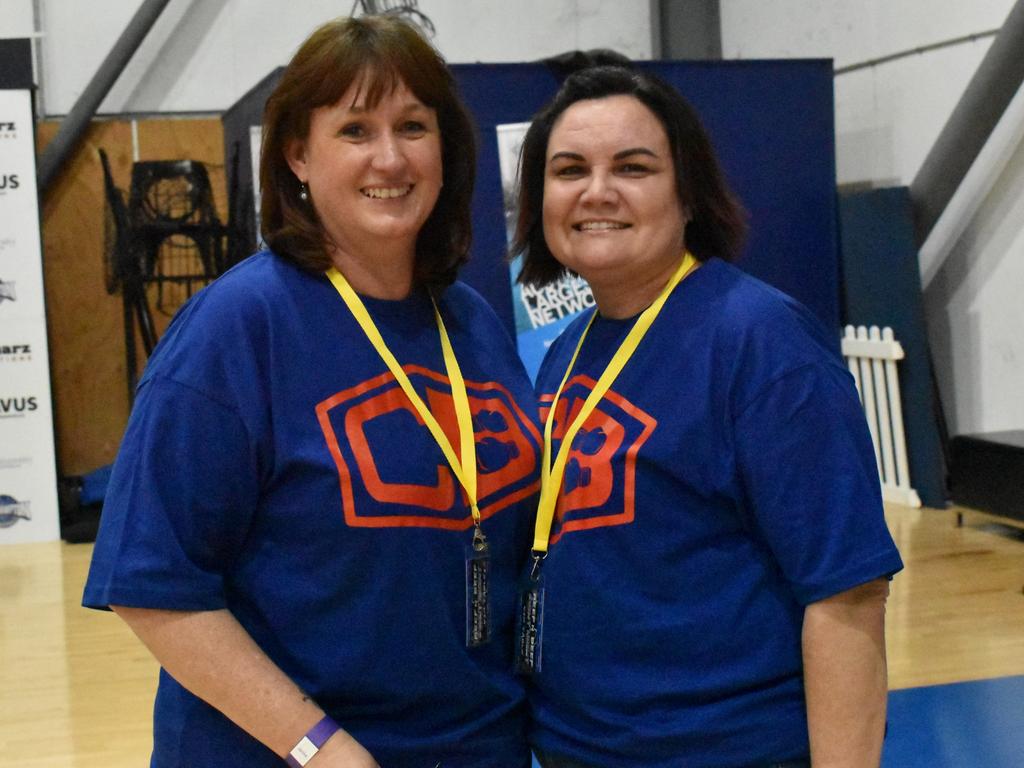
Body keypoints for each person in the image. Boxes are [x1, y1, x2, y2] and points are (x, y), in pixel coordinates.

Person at [83, 16, 540, 768]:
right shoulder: (235, 330)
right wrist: (320, 747)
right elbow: (155, 587)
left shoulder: (472, 323)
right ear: (297, 153)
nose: (390, 157)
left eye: (413, 126)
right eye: (355, 129)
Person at [511, 65, 904, 768]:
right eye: (569, 170)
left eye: (632, 168)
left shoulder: (762, 340)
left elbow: (847, 596)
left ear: (687, 193)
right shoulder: (567, 349)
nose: (596, 192)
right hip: (580, 748)